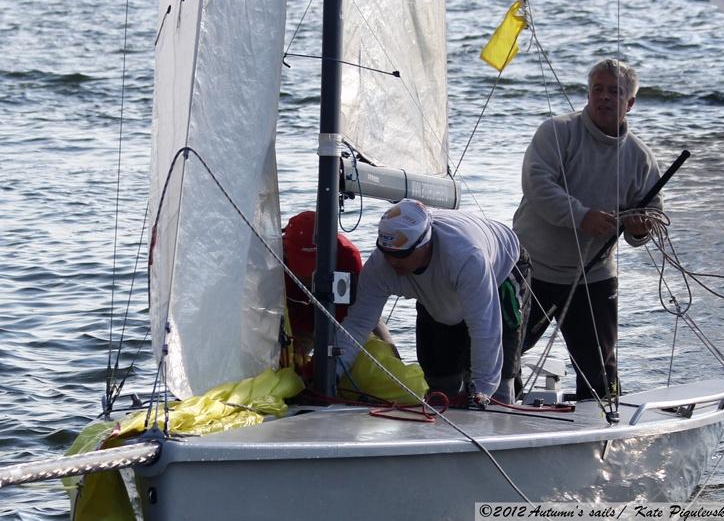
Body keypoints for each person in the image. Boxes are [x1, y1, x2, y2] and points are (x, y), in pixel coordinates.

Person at [512, 58, 661, 400]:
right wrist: (581, 216)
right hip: (532, 268)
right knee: (504, 353)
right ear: (588, 93)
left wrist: (639, 229)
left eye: (615, 92)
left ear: (631, 103)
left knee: (599, 370)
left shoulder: (640, 157)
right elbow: (537, 185)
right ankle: (499, 414)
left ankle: (598, 435)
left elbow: (652, 213)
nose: (604, 97)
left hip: (593, 275)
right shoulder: (556, 132)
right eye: (598, 89)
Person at [334, 199, 530, 405]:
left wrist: (482, 391)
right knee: (439, 382)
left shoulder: (466, 257)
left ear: (425, 243)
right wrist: (332, 371)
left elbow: (485, 328)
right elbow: (357, 325)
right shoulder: (379, 267)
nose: (393, 262)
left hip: (501, 270)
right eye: (387, 253)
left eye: (402, 254)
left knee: (498, 381)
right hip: (438, 291)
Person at [282, 211, 393, 359]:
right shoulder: (270, 256)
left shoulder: (346, 256)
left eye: (314, 266)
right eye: (301, 264)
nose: (309, 276)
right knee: (290, 354)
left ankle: (397, 371)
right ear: (285, 249)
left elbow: (351, 314)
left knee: (374, 328)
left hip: (339, 306)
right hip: (293, 312)